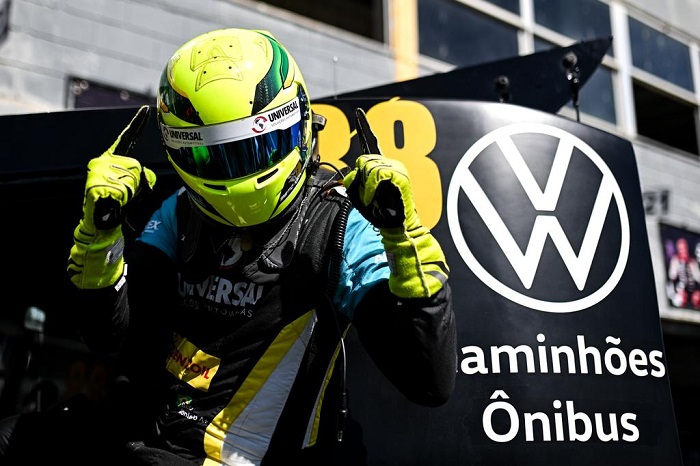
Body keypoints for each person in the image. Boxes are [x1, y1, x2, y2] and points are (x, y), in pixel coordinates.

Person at [0, 28, 456, 465]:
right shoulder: (181, 210)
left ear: (300, 122)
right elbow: (108, 336)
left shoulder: (341, 225)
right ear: (182, 151)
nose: (243, 175)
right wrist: (100, 235)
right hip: (145, 432)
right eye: (221, 156)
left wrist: (403, 236)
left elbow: (429, 381)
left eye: (261, 147)